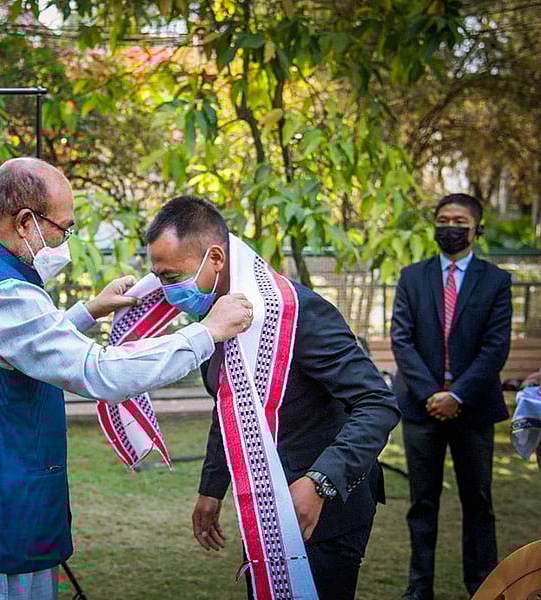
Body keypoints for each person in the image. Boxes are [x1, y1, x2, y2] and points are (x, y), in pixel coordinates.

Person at [0, 159, 254, 600]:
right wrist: (205, 333)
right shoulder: (2, 292)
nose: (65, 244)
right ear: (25, 223)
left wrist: (90, 310)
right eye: (64, 229)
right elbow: (99, 371)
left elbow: (17, 349)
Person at [144, 196, 399, 600]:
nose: (167, 290)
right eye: (159, 277)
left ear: (215, 258)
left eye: (173, 277)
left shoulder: (295, 314)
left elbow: (378, 403)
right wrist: (212, 488)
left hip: (322, 511)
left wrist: (320, 482)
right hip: (261, 506)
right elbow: (230, 406)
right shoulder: (219, 316)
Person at [391, 193, 513, 600]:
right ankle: (418, 588)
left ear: (477, 228)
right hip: (422, 409)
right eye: (443, 219)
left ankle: (482, 586)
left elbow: (496, 347)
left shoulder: (497, 280)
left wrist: (457, 394)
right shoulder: (412, 277)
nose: (450, 227)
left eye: (459, 221)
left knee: (478, 503)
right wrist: (432, 394)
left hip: (473, 408)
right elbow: (402, 340)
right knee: (421, 503)